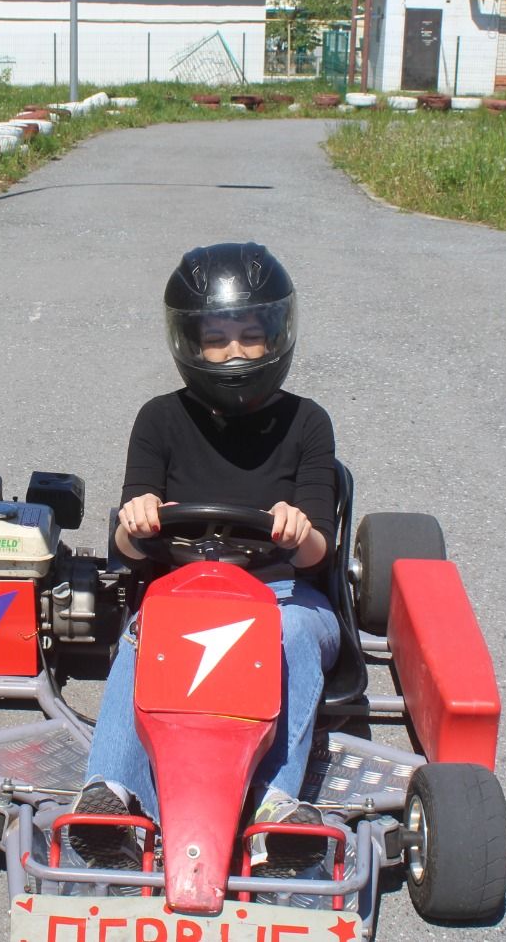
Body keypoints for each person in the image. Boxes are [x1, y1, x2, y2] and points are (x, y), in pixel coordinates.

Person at [71, 242, 341, 880]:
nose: (237, 353)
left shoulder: (308, 423)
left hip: (283, 596)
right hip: (184, 597)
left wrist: (297, 531)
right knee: (143, 634)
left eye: (251, 335)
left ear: (278, 335)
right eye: (218, 339)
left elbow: (319, 551)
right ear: (190, 342)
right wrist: (136, 524)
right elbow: (126, 550)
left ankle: (278, 806)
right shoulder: (160, 420)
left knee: (294, 632)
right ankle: (109, 795)